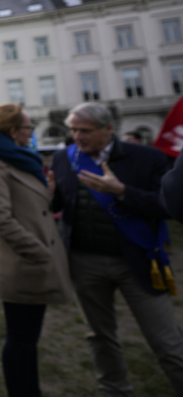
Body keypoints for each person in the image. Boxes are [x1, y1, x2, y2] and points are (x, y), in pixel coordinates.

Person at [51, 102, 183, 395]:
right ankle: (114, 390)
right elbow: (61, 205)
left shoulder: (147, 157)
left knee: (167, 341)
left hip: (136, 260)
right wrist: (48, 198)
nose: (77, 137)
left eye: (85, 130)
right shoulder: (63, 158)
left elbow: (167, 206)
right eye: (73, 130)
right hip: (84, 262)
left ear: (108, 129)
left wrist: (121, 192)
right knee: (99, 336)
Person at [0, 104, 73, 397]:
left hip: (33, 259)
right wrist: (39, 252)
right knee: (21, 340)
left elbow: (32, 208)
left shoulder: (21, 160)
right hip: (23, 263)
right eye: (28, 127)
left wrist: (47, 191)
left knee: (27, 339)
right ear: (14, 131)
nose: (31, 132)